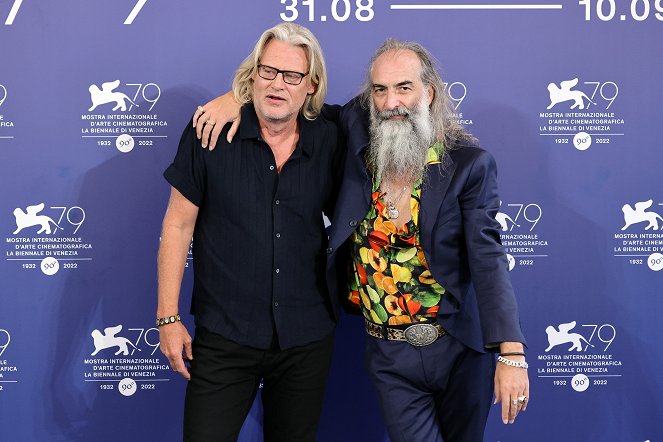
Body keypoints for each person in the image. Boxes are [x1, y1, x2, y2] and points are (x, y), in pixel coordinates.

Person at [194, 38, 529, 442]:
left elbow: (489, 258)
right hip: (389, 353)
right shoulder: (356, 137)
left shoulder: (468, 166)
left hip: (458, 346)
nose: (391, 103)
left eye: (404, 87)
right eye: (380, 89)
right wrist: (238, 97)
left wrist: (511, 353)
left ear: (430, 92)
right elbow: (288, 101)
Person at [157, 23, 344, 442]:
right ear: (253, 74)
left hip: (306, 335)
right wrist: (168, 317)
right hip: (225, 335)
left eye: (293, 76)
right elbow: (177, 224)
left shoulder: (332, 136)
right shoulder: (209, 132)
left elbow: (384, 111)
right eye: (268, 71)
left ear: (311, 86)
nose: (278, 84)